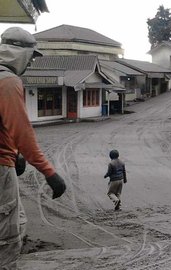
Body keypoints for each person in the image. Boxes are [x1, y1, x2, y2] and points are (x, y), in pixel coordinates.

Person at [0, 27, 66, 269]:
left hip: (6, 159)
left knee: (16, 219)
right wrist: (49, 173)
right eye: (31, 57)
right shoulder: (7, 81)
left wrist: (14, 153)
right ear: (20, 54)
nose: (30, 64)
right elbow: (22, 132)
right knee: (7, 237)